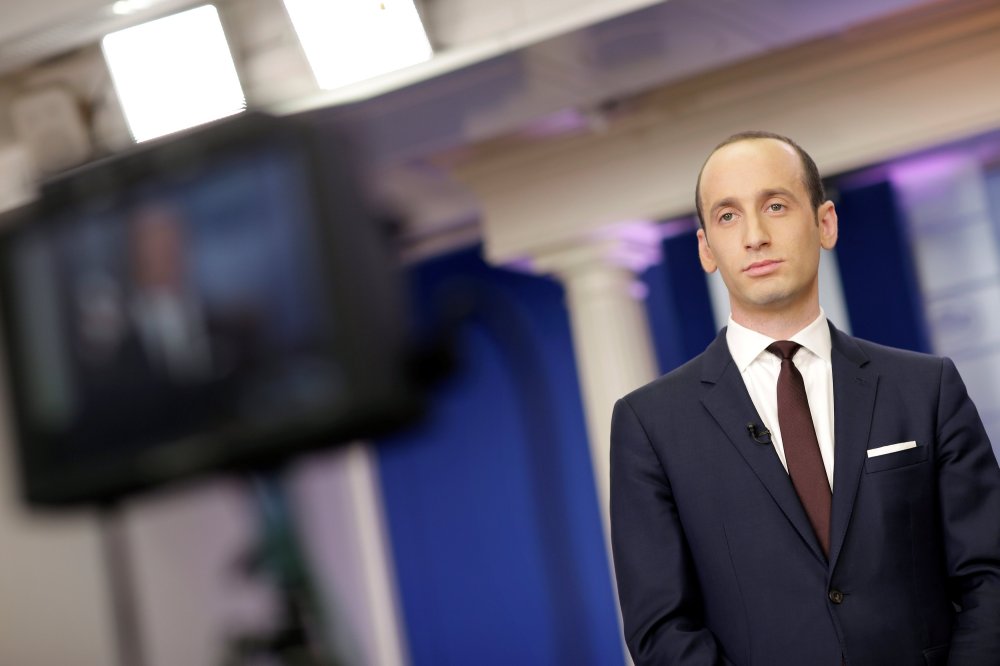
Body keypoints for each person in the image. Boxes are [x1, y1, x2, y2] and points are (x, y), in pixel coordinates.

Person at [610, 130, 1000, 665]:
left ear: (825, 223)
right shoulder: (649, 424)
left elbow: (990, 576)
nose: (754, 236)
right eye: (727, 216)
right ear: (706, 249)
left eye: (775, 205)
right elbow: (661, 629)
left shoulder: (925, 387)